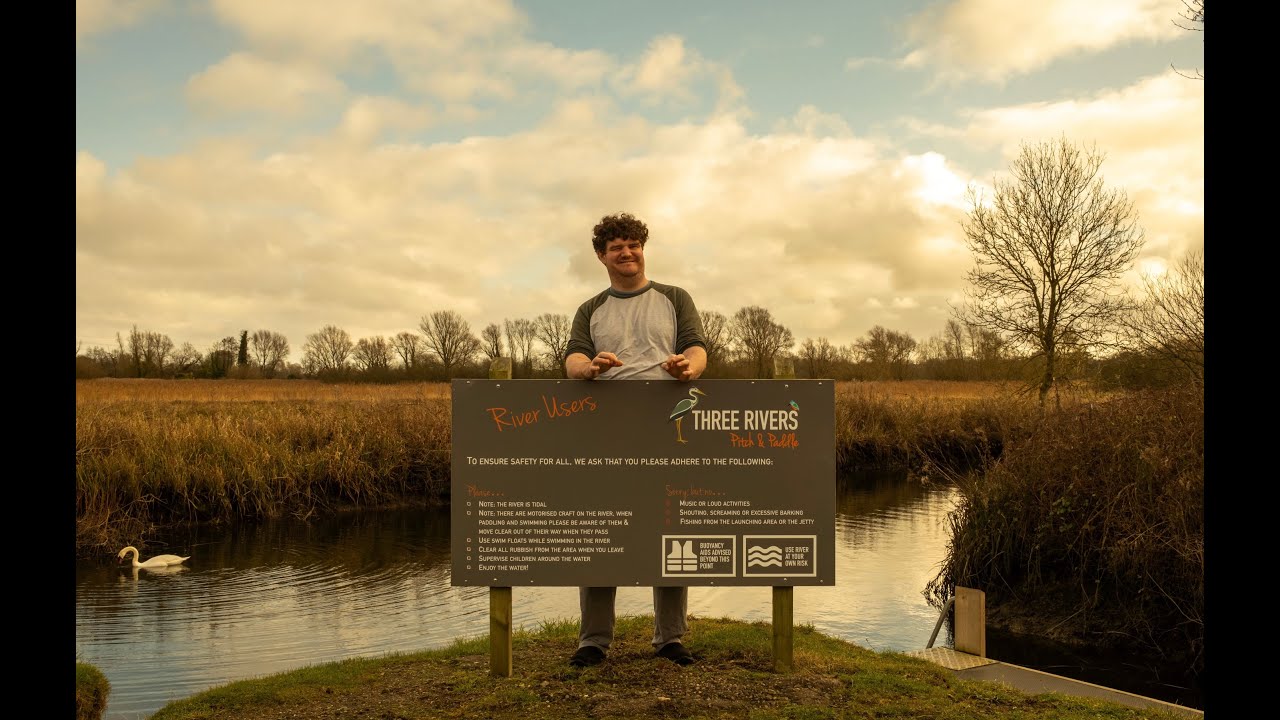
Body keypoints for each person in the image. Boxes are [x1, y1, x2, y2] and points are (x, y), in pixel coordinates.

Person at [563, 211, 708, 668]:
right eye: (616, 248)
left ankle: (669, 638)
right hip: (607, 433)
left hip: (665, 429)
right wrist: (589, 369)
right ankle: (593, 641)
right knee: (601, 530)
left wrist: (690, 368)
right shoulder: (590, 309)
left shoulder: (675, 297)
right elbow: (572, 359)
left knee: (669, 530)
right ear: (601, 257)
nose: (627, 253)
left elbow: (696, 346)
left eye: (633, 244)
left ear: (643, 247)